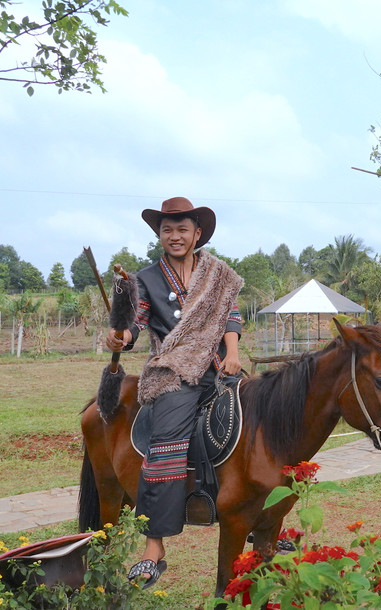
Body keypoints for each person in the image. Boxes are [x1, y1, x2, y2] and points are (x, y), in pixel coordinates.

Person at [105, 197, 244, 588]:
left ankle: (255, 515)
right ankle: (154, 546)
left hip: (221, 365)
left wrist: (233, 352)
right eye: (168, 230)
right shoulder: (146, 278)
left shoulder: (219, 274)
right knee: (165, 442)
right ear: (159, 234)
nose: (175, 236)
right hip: (173, 370)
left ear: (197, 233)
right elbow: (137, 319)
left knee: (258, 420)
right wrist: (123, 334)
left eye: (183, 229)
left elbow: (231, 315)